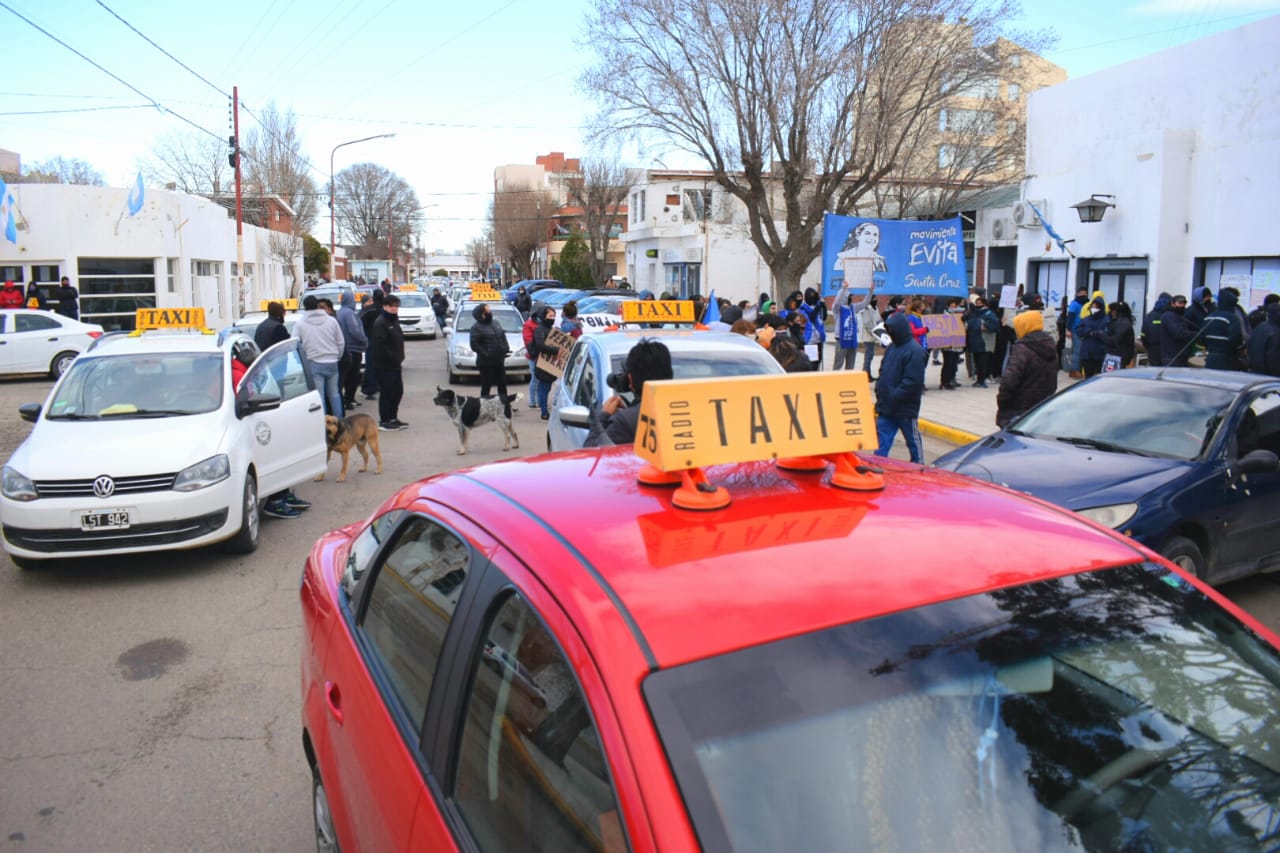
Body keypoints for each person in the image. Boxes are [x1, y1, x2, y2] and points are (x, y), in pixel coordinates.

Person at [584, 339, 674, 446]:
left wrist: (603, 416)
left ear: (630, 379)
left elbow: (592, 452)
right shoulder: (691, 410)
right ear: (670, 374)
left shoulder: (625, 422)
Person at [873, 313, 926, 464]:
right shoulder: (892, 348)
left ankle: (919, 466)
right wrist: (880, 390)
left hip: (904, 407)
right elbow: (883, 371)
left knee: (912, 441)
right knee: (881, 442)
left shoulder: (915, 351)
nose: (889, 333)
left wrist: (895, 396)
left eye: (891, 330)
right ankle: (877, 466)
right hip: (887, 406)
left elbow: (912, 381)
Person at [996, 311, 1058, 428]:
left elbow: (1009, 381)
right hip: (1042, 406)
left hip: (1019, 409)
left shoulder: (1022, 349)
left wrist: (1002, 401)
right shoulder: (1050, 345)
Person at [293, 295, 345, 418]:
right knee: (334, 394)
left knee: (319, 396)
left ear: (305, 308)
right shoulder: (331, 321)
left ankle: (323, 423)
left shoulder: (300, 323)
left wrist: (301, 360)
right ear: (317, 305)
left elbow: (294, 342)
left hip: (314, 361)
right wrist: (338, 356)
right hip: (332, 361)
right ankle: (339, 421)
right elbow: (340, 341)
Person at [469, 303, 512, 418]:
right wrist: (486, 353)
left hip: (499, 360)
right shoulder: (476, 327)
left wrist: (505, 348)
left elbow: (502, 336)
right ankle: (484, 407)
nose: (490, 311)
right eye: (488, 310)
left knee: (502, 384)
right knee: (486, 385)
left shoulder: (495, 323)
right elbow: (474, 345)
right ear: (482, 314)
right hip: (486, 362)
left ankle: (505, 405)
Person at [371, 294, 407, 430]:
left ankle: (393, 417)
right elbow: (380, 346)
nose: (394, 309)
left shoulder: (394, 321)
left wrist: (400, 357)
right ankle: (384, 420)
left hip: (396, 364)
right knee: (387, 393)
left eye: (396, 306)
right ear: (385, 306)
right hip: (385, 365)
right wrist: (392, 358)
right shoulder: (380, 323)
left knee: (397, 392)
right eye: (391, 306)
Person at [336, 292, 368, 410]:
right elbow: (355, 330)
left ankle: (347, 399)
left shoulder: (340, 312)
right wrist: (364, 340)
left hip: (345, 348)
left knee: (345, 377)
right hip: (353, 348)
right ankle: (349, 399)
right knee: (353, 376)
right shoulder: (349, 314)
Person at [530, 306, 561, 421]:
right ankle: (544, 412)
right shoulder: (539, 330)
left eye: (553, 316)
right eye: (550, 316)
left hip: (551, 364)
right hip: (543, 364)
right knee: (543, 388)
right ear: (544, 316)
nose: (552, 318)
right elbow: (540, 345)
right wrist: (555, 350)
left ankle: (544, 409)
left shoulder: (552, 330)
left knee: (546, 388)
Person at [1203, 288, 1245, 370]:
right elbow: (1236, 339)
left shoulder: (1208, 317)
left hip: (1210, 357)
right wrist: (1242, 347)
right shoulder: (1232, 318)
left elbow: (1201, 338)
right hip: (1228, 359)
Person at [965, 296, 999, 387]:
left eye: (980, 303)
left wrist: (986, 326)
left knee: (982, 362)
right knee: (977, 362)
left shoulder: (989, 313)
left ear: (984, 303)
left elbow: (995, 325)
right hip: (974, 341)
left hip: (984, 342)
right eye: (977, 303)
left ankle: (981, 381)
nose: (978, 305)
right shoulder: (974, 313)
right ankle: (979, 380)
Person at [1159, 294, 1199, 367]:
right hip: (1172, 357)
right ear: (1172, 303)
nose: (1182, 305)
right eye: (1180, 303)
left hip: (1178, 356)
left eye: (1184, 303)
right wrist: (1196, 334)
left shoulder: (1179, 317)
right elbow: (1178, 333)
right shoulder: (1170, 316)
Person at [1075, 297, 1109, 378]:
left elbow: (1105, 334)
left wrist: (1095, 333)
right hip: (1087, 353)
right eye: (1092, 306)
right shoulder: (1086, 319)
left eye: (1096, 306)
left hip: (1100, 352)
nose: (1093, 308)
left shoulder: (1106, 320)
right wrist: (1088, 332)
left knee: (1101, 377)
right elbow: (1078, 330)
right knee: (1088, 377)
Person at [360, 289, 384, 400]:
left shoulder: (369, 310)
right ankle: (380, 386)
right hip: (383, 342)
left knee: (370, 367)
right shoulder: (385, 309)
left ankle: (369, 390)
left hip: (371, 341)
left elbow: (361, 324)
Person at [1246, 301, 1280, 376]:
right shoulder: (1276, 332)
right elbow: (1274, 357)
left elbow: (1249, 345)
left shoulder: (1260, 327)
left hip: (1254, 370)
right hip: (1269, 374)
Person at [939, 298, 965, 390]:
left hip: (957, 343)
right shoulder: (945, 315)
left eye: (955, 306)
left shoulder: (960, 315)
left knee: (954, 362)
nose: (953, 308)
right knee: (948, 363)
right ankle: (945, 381)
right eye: (952, 306)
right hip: (947, 344)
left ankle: (951, 379)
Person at [798, 288, 828, 368]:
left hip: (819, 340)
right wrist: (817, 308)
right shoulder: (803, 308)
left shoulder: (817, 306)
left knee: (818, 362)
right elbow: (811, 318)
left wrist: (823, 308)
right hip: (810, 341)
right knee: (811, 364)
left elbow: (823, 318)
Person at [1141, 293, 1171, 366]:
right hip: (1168, 350)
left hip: (1153, 349)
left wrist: (1148, 347)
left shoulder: (1149, 316)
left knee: (1155, 371)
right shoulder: (1170, 315)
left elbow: (1143, 335)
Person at [1104, 302, 1136, 369]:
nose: (1111, 313)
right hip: (1118, 355)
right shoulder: (1119, 322)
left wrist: (1102, 336)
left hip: (1119, 356)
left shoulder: (1122, 323)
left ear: (1116, 311)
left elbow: (1116, 339)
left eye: (1112, 311)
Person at [1065, 287, 1088, 378]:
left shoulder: (1087, 304)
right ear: (1078, 294)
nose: (1083, 295)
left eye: (1085, 293)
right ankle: (1074, 371)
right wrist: (1068, 330)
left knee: (1081, 351)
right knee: (1077, 351)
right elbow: (1070, 317)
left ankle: (1079, 369)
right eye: (1081, 293)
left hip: (1084, 330)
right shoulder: (1074, 304)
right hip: (1075, 330)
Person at [857, 293, 880, 378]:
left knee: (870, 355)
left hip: (873, 336)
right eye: (874, 299)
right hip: (868, 336)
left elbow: (878, 320)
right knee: (868, 356)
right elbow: (867, 324)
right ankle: (865, 374)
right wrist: (874, 332)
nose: (876, 300)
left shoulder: (876, 308)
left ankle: (868, 373)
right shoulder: (866, 310)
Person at [522, 310, 540, 407]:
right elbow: (528, 340)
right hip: (533, 355)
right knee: (535, 379)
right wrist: (533, 352)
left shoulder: (540, 323)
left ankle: (538, 400)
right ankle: (533, 401)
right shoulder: (529, 324)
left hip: (541, 355)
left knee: (539, 379)